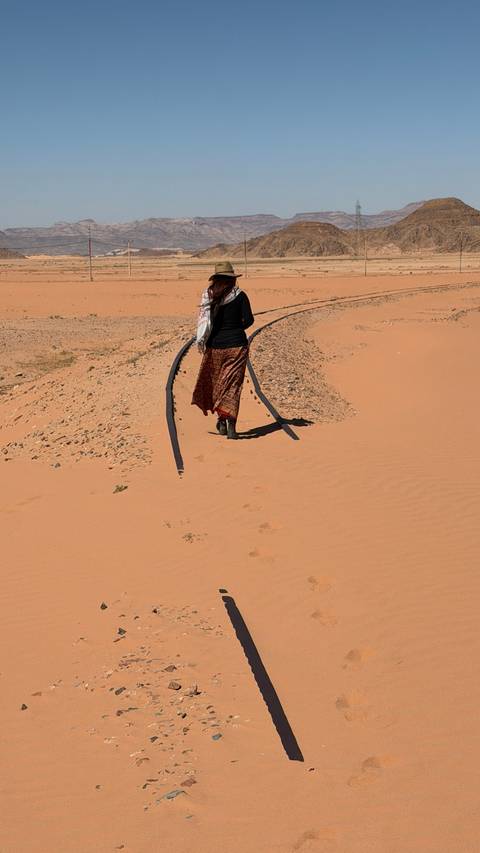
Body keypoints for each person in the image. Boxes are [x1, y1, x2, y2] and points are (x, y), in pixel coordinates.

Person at [192, 261, 254, 439]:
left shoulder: (208, 295)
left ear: (216, 279)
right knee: (233, 385)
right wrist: (236, 326)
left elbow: (204, 322)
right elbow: (249, 320)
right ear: (232, 279)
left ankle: (221, 420)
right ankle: (231, 424)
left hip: (215, 347)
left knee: (218, 383)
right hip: (237, 347)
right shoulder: (241, 295)